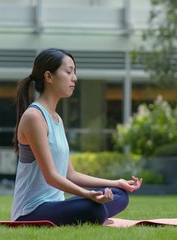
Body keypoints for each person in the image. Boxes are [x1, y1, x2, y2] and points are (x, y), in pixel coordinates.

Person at [11, 48, 142, 226]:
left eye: (75, 72)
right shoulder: (34, 117)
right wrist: (88, 194)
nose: (74, 78)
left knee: (119, 195)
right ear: (49, 77)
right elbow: (51, 176)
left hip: (56, 205)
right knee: (92, 208)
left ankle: (95, 213)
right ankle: (95, 213)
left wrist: (116, 182)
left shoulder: (57, 119)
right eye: (68, 71)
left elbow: (70, 174)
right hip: (32, 212)